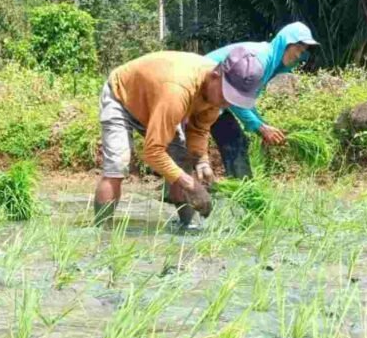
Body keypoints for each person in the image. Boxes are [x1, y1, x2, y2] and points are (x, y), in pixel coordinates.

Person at [94, 47, 265, 226]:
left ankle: (186, 228)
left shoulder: (216, 95)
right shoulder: (177, 91)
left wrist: (202, 161)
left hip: (158, 104)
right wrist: (190, 184)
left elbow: (199, 130)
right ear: (215, 75)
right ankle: (102, 233)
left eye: (235, 99)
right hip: (122, 97)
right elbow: (153, 152)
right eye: (227, 95)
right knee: (117, 166)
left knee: (183, 162)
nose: (227, 102)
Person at [206, 22, 319, 179]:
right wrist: (260, 128)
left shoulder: (270, 63)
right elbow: (235, 98)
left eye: (303, 51)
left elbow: (244, 100)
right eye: (298, 49)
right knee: (183, 146)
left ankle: (243, 192)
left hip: (215, 101)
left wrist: (263, 125)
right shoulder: (260, 60)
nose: (299, 55)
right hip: (198, 92)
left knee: (235, 139)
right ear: (286, 43)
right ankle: (173, 197)